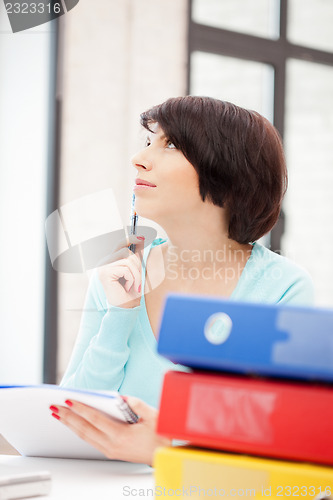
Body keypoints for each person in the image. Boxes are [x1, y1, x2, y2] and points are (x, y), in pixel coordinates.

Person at [50, 96, 314, 465]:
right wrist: (119, 316)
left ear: (229, 171)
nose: (139, 159)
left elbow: (285, 440)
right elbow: (71, 420)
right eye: (148, 142)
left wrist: (165, 452)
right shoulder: (119, 277)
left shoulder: (283, 288)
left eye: (171, 144)